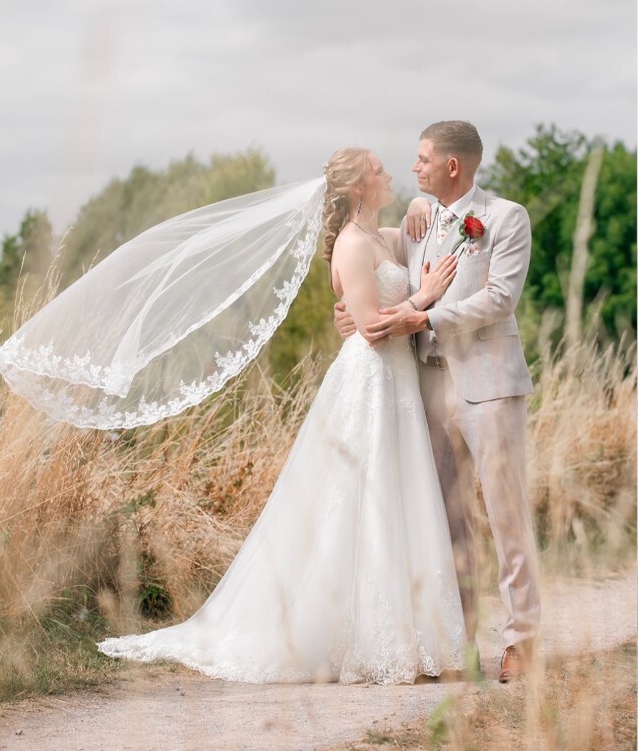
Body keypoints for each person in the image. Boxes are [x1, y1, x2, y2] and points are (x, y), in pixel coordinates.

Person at [97, 147, 468, 683]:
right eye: (380, 170)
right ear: (359, 187)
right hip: (371, 379)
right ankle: (359, 638)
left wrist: (419, 204)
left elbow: (415, 235)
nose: (390, 174)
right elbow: (369, 328)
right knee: (363, 496)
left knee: (397, 494)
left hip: (397, 382)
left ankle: (403, 636)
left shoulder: (379, 238)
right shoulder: (351, 244)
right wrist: (425, 297)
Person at [335, 121, 541, 683]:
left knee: (507, 517)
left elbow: (499, 298)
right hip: (426, 388)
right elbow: (374, 268)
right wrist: (351, 311)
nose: (414, 168)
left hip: (490, 385)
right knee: (448, 520)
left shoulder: (506, 218)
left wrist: (426, 318)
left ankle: (521, 642)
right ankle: (459, 643)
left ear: (453, 165)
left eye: (423, 159)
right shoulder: (416, 224)